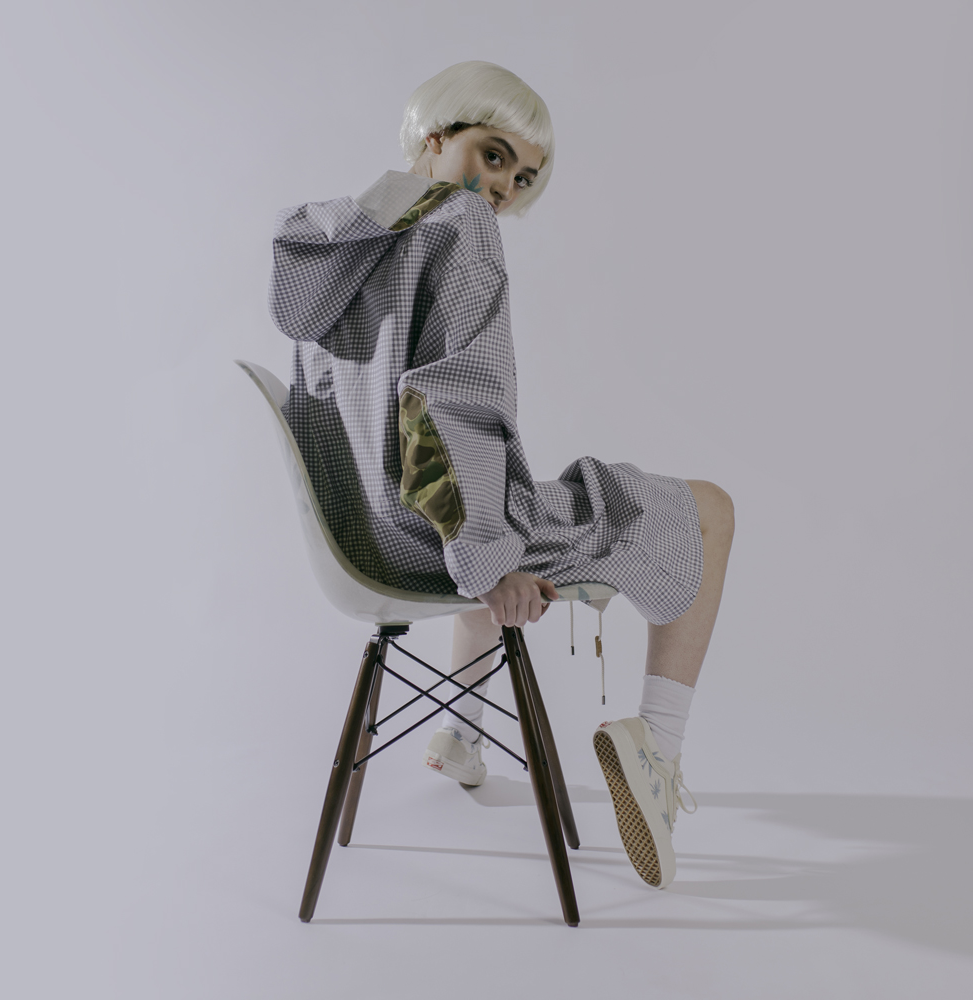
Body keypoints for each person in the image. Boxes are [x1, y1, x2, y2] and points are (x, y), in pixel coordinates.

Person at [269, 61, 734, 890]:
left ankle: (461, 732)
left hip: (367, 536)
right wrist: (489, 564)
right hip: (434, 535)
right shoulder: (461, 226)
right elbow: (447, 409)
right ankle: (658, 753)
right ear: (434, 136)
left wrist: (479, 537)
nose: (501, 189)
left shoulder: (339, 246)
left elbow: (398, 424)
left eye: (521, 178)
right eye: (492, 155)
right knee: (707, 510)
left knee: (492, 501)